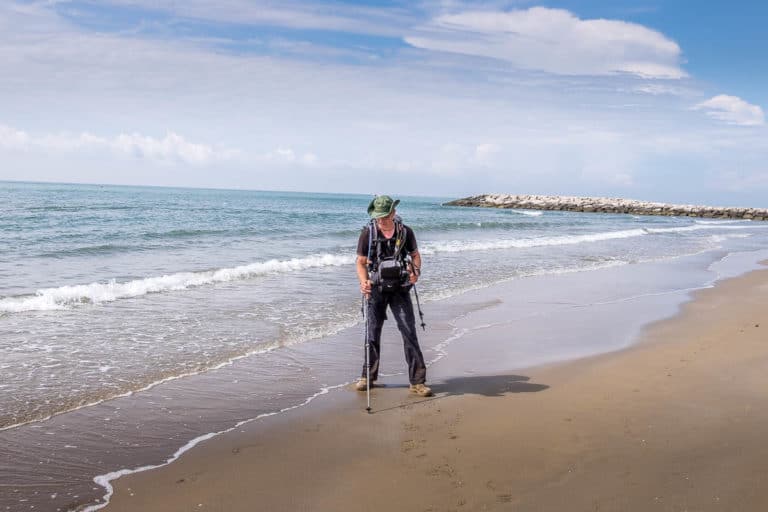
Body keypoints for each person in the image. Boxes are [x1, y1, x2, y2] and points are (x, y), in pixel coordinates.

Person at [355, 195, 432, 397]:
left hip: (400, 289)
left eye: (384, 216)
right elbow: (361, 262)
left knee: (409, 332)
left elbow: (415, 256)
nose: (381, 220)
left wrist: (415, 273)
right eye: (378, 217)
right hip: (375, 289)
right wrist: (363, 282)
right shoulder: (368, 233)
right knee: (371, 334)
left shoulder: (405, 232)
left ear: (393, 213)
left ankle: (417, 382)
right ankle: (367, 377)